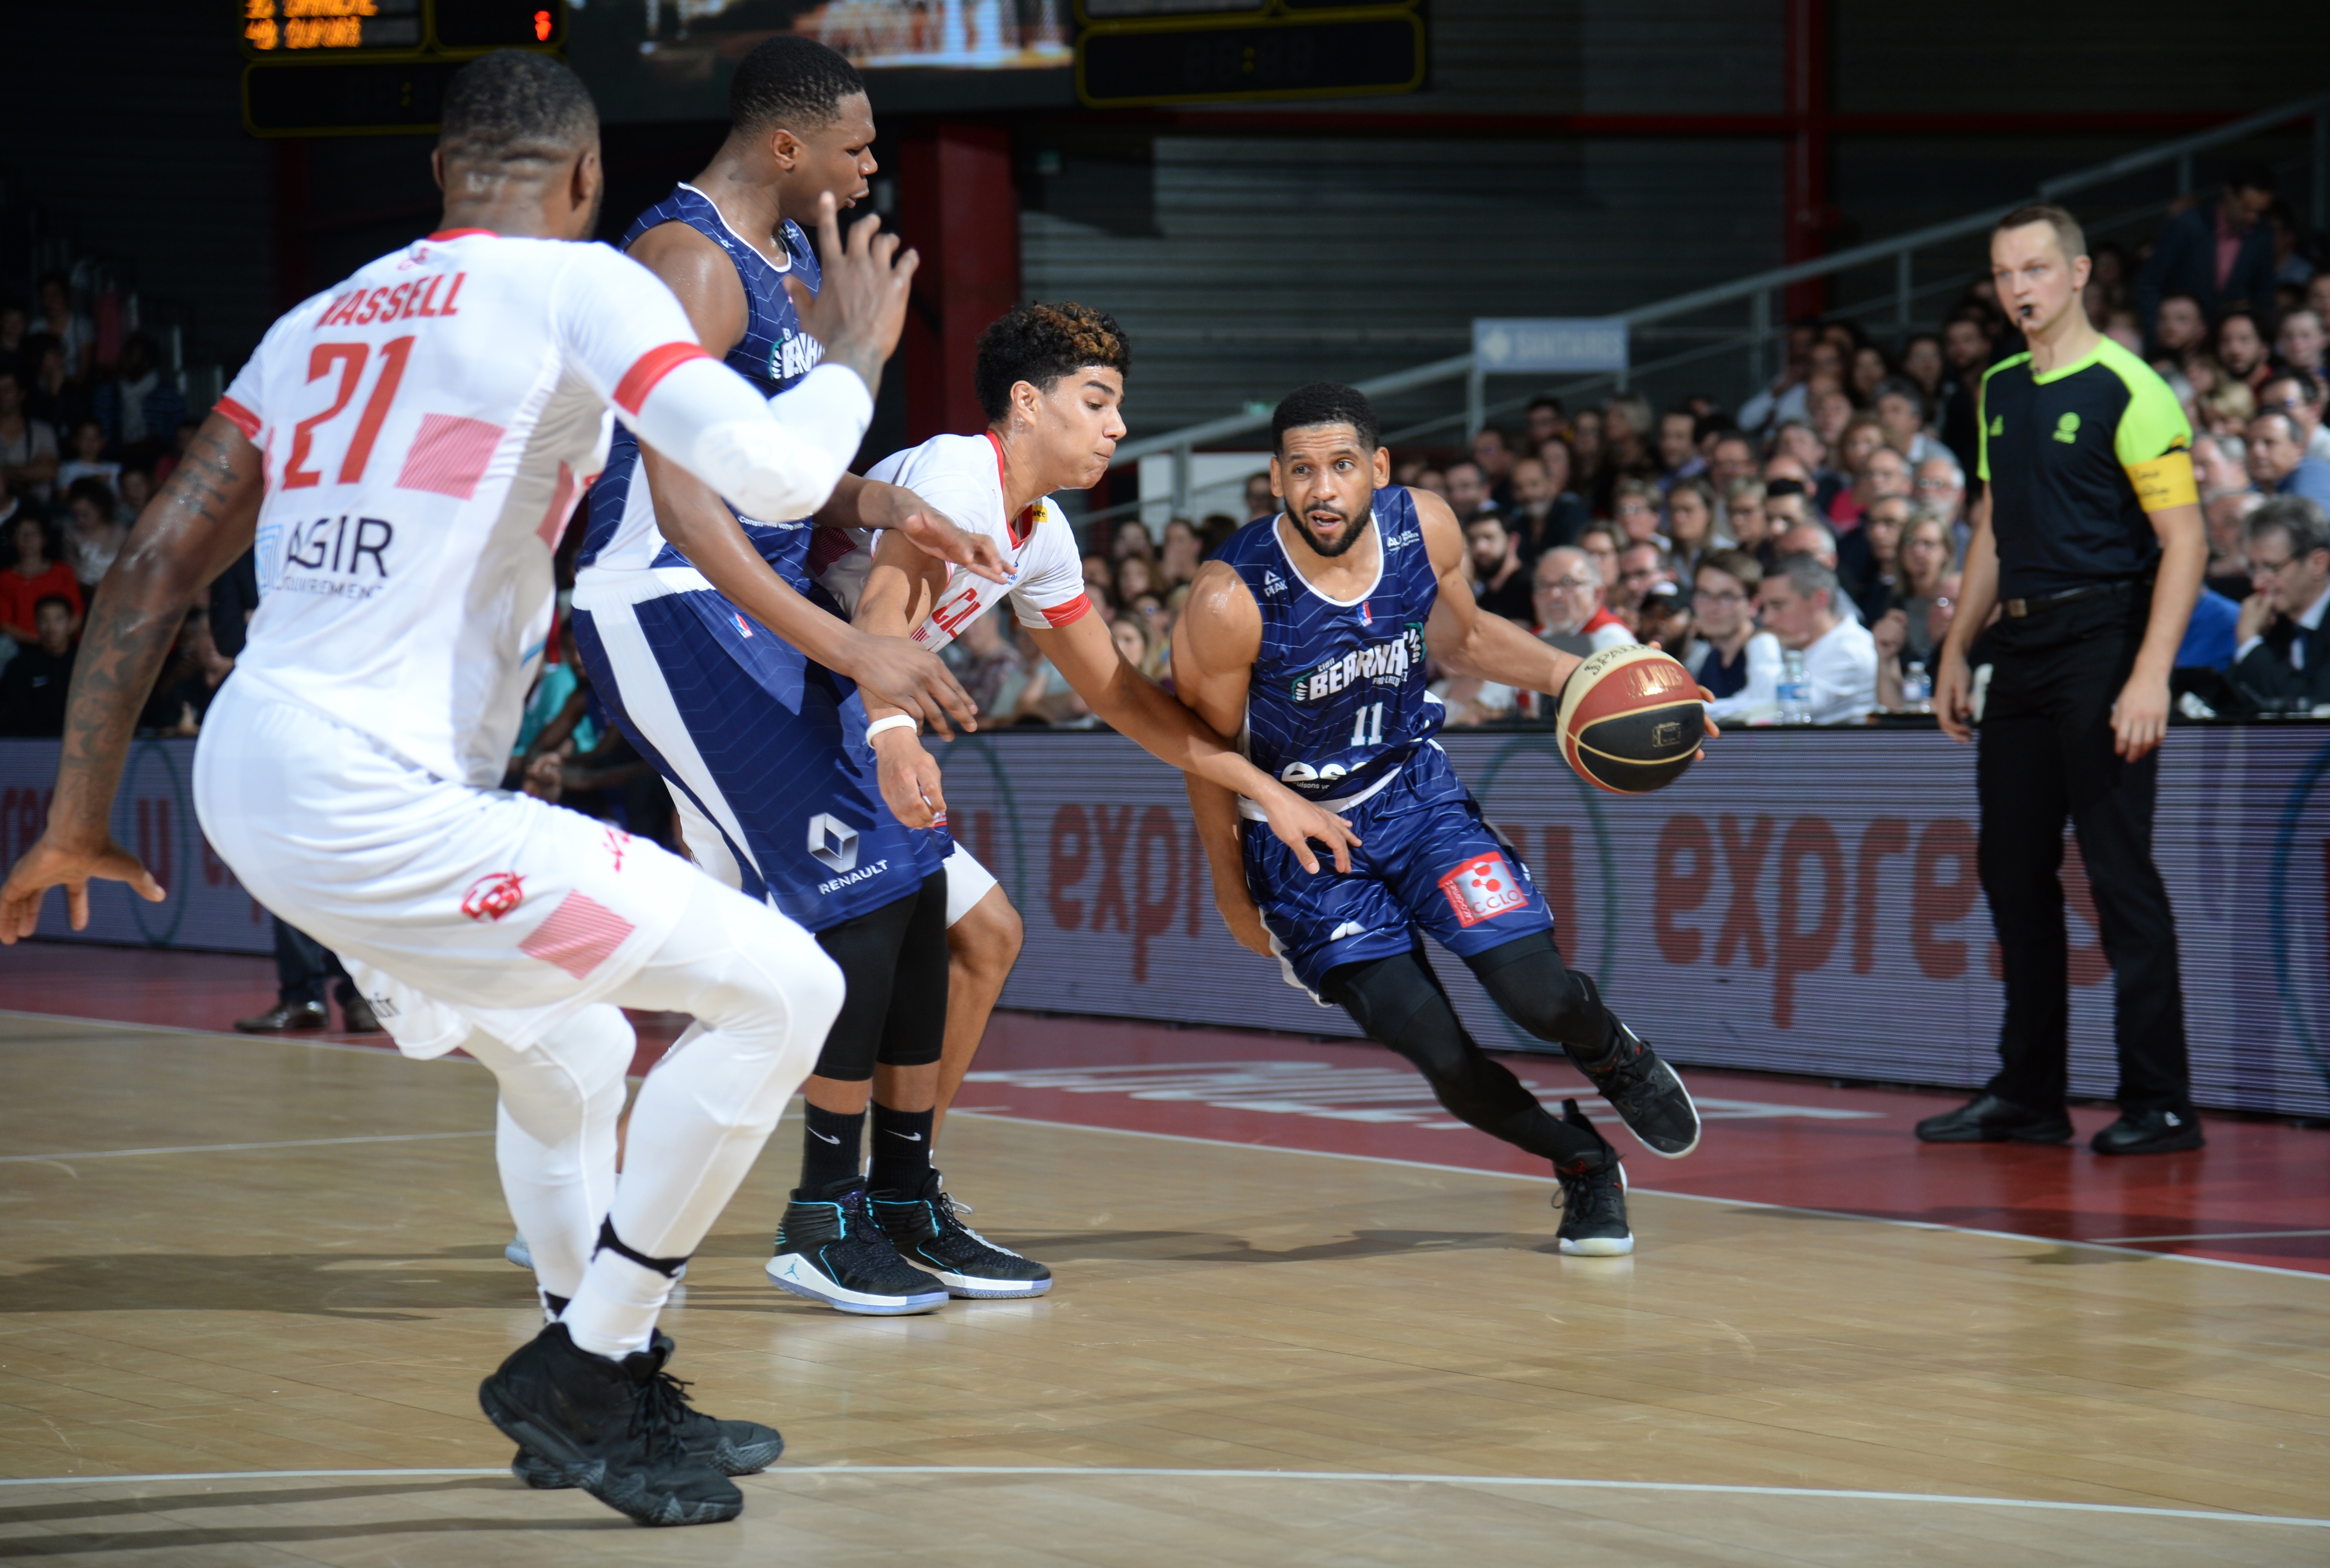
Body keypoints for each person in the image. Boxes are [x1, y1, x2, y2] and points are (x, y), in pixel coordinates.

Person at [0, 50, 945, 1528]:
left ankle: (601, 1386)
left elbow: (149, 569)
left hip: (252, 771)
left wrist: (75, 811)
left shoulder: (310, 321)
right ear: (581, 186)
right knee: (786, 991)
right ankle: (589, 1364)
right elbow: (762, 477)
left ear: (440, 178)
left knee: (567, 1058)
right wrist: (854, 357)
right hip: (378, 800)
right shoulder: (587, 285)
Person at [565, 35, 1022, 1322]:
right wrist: (853, 644)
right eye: (857, 144)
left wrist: (879, 500)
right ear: (784, 148)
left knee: (914, 880)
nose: (874, 163)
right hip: (664, 611)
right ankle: (816, 1219)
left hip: (748, 608)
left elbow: (781, 468)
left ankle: (892, 1202)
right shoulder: (690, 264)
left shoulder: (783, 262)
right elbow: (692, 511)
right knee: (853, 903)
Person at [834, 307, 1361, 1232]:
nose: (1117, 424)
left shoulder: (1038, 532)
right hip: (779, 704)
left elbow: (1119, 696)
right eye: (1097, 400)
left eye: (1119, 403)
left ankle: (898, 1191)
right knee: (778, 977)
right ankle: (642, 1191)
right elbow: (882, 604)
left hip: (850, 720)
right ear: (1027, 404)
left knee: (986, 936)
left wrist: (1263, 786)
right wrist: (892, 729)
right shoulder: (958, 471)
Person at [1171, 383, 1705, 1259]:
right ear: (1274, 480)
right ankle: (1581, 1161)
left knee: (1537, 997)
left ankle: (1613, 1051)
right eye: (1301, 471)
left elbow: (1461, 643)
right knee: (1438, 1052)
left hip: (1416, 799)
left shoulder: (1424, 528)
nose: (1322, 490)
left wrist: (1627, 680)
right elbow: (1200, 750)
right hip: (1305, 843)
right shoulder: (1230, 598)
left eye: (1341, 466)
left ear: (1376, 469)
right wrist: (1233, 892)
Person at [1926, 204, 2208, 1157]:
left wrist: (2149, 674)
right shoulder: (1999, 386)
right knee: (2010, 871)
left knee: (2119, 874)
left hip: (2105, 638)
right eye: (2005, 272)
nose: (2019, 288)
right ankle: (2029, 1093)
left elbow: (2185, 542)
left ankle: (2161, 1100)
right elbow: (1992, 525)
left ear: (2079, 273)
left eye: (2036, 268)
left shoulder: (2133, 389)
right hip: (2020, 649)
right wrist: (1957, 646)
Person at [2134, 163, 2279, 342]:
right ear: (2229, 193)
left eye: (2260, 212)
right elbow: (2150, 284)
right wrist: (2157, 337)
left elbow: (2264, 296)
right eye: (2247, 208)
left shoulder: (2262, 235)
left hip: (2225, 343)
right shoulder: (2187, 225)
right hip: (2176, 339)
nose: (2253, 217)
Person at [2229, 495, 2330, 708]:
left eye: (2272, 568)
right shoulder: (2275, 626)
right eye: (2253, 569)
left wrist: (2249, 643)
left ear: (2318, 564)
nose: (2258, 583)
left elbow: (2313, 708)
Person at [1756, 554, 1877, 722]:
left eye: (1778, 606)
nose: (1766, 619)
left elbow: (1770, 710)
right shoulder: (1792, 642)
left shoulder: (1851, 652)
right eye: (1765, 607)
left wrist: (1762, 642)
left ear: (1819, 600)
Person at [1689, 549, 1780, 721]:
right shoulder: (1710, 660)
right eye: (1704, 594)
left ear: (1753, 605)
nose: (1712, 608)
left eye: (1727, 597)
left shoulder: (1767, 650)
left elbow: (1766, 710)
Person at [1531, 544, 1632, 658]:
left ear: (1597, 594)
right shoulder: (1534, 639)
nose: (1554, 594)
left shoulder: (1611, 638)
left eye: (1568, 582)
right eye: (1544, 585)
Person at [1, 514, 82, 645]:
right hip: (21, 647)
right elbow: (4, 624)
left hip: (64, 646)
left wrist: (56, 642)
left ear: (45, 539)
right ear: (13, 540)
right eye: (22, 533)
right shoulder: (5, 578)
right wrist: (39, 642)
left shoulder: (62, 572)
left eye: (34, 534)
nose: (28, 539)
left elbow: (77, 614)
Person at [0, 594, 74, 736]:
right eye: (44, 620)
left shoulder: (87, 662)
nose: (52, 627)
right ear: (36, 623)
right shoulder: (20, 666)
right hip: (34, 744)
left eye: (59, 619)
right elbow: (16, 711)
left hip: (79, 743)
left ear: (70, 622)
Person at [2245, 409, 2330, 507]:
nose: (2257, 452)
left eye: (2269, 443)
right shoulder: (2251, 491)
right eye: (2249, 444)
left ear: (2298, 450)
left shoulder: (2313, 473)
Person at [1464, 511, 1533, 621]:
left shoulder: (1531, 587)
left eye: (1489, 537)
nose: (1480, 548)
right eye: (1472, 540)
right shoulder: (1484, 598)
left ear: (1513, 541)